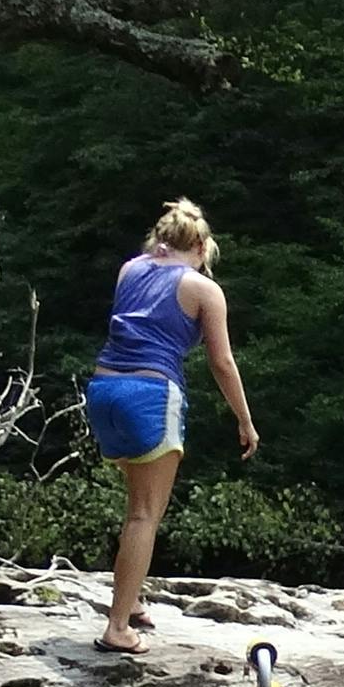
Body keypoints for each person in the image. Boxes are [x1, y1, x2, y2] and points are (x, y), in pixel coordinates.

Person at [80, 199, 256, 650]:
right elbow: (222, 361)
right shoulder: (203, 290)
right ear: (200, 247)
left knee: (136, 503)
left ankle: (132, 599)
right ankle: (118, 628)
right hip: (151, 395)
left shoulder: (129, 270)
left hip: (103, 390)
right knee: (145, 514)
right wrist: (244, 419)